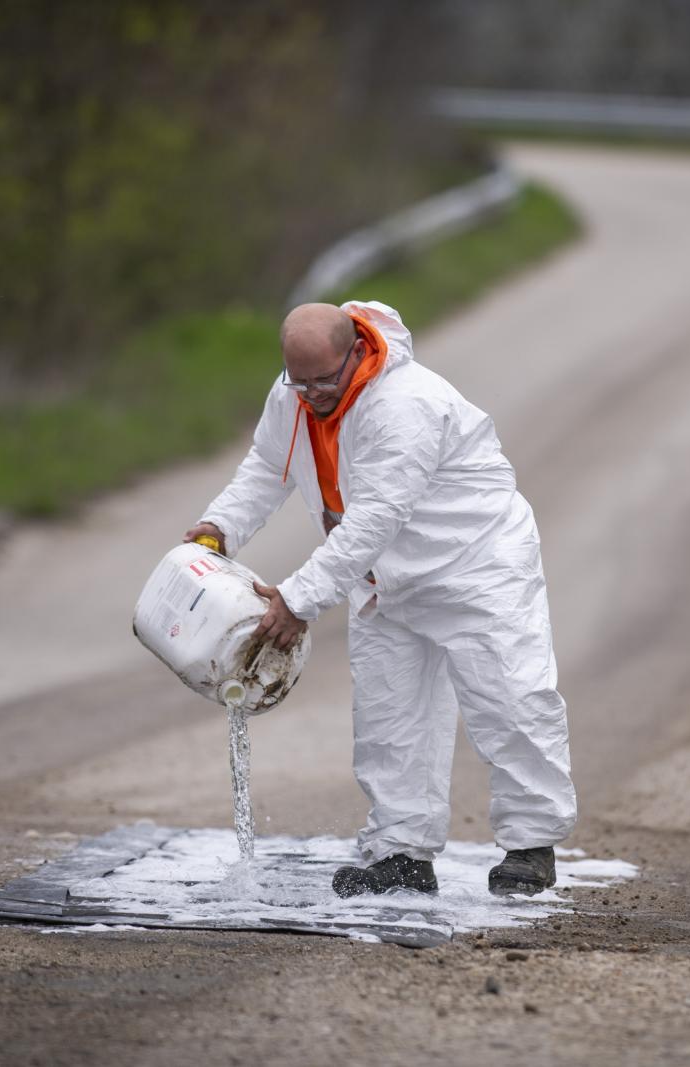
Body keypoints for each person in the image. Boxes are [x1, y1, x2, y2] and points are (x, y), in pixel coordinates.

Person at [185, 300, 575, 897]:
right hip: (383, 581)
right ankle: (401, 854)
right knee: (389, 719)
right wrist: (220, 529)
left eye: (324, 380)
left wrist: (298, 599)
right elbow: (268, 465)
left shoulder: (405, 404)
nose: (312, 394)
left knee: (509, 700)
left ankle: (531, 845)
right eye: (299, 380)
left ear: (356, 352)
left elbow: (374, 518)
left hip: (476, 564)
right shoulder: (294, 396)